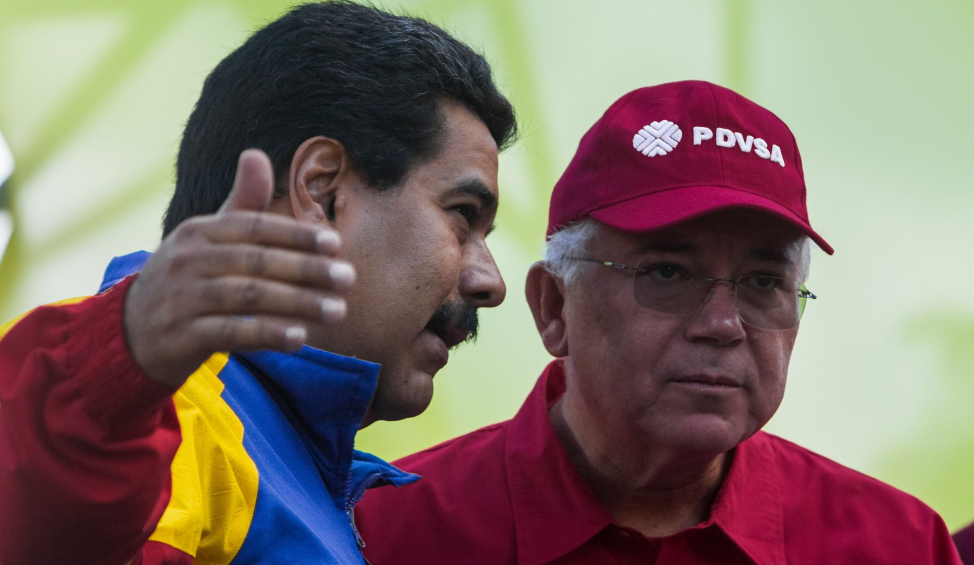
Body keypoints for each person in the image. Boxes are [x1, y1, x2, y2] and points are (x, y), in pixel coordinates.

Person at [0, 0, 516, 565]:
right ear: (322, 190)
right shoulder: (159, 412)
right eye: (462, 215)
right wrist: (115, 373)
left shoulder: (305, 471)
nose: (490, 282)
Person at [356, 80, 964, 564]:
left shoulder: (898, 545)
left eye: (763, 282)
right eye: (668, 273)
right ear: (554, 307)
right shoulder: (379, 533)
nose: (723, 324)